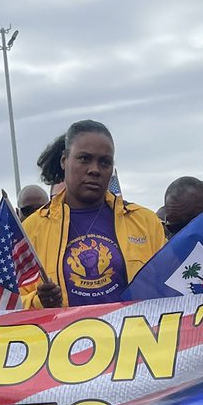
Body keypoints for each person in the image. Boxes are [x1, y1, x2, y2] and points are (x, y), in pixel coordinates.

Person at [25, 120, 165, 308]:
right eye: (84, 159)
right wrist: (39, 301)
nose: (94, 170)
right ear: (64, 160)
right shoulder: (32, 229)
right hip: (62, 336)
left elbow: (168, 287)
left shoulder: (146, 222)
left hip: (134, 335)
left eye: (105, 162)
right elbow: (7, 303)